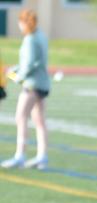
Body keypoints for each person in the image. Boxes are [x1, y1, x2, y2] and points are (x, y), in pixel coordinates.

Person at [2, 9, 50, 170]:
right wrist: (14, 69)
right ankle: (42, 156)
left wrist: (15, 77)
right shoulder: (41, 36)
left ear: (24, 22)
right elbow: (32, 62)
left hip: (32, 84)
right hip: (42, 83)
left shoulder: (30, 39)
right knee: (39, 121)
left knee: (20, 117)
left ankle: (20, 155)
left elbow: (28, 66)